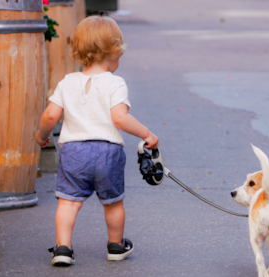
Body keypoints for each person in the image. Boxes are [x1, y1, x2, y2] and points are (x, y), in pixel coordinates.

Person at [35, 15, 158, 266]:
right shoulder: (115, 83)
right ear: (114, 52)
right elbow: (120, 118)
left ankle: (63, 249)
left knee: (68, 203)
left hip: (73, 152)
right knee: (112, 204)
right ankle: (115, 245)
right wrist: (147, 134)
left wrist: (41, 136)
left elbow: (50, 115)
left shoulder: (67, 82)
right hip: (107, 152)